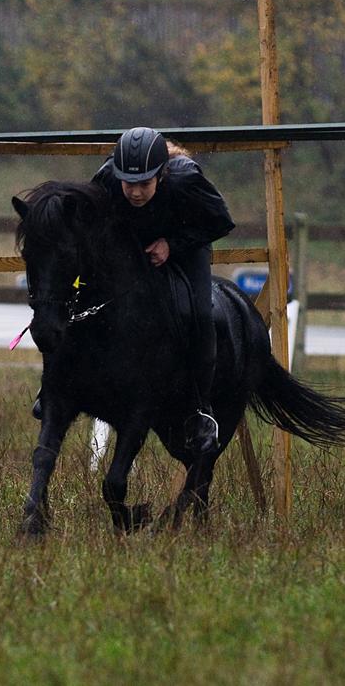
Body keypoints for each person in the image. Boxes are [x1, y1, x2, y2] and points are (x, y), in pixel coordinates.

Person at [91, 126, 236, 454]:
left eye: (144, 184)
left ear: (161, 174)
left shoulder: (186, 179)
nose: (135, 193)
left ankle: (201, 411)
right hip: (134, 247)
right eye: (128, 184)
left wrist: (172, 244)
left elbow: (221, 222)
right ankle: (61, 384)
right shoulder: (106, 179)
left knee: (199, 314)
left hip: (187, 246)